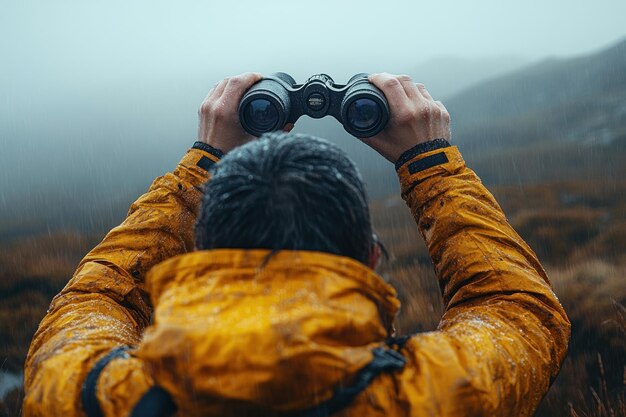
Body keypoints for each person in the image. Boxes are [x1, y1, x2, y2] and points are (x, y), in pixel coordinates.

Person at [22, 72, 570, 417]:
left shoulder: (90, 392)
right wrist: (430, 164)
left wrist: (200, 165)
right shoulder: (438, 392)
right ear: (372, 261)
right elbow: (517, 309)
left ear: (200, 258)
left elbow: (95, 299)